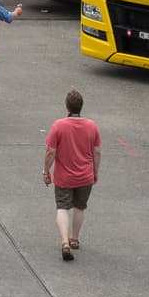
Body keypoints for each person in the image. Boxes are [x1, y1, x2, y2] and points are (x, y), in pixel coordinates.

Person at [44, 89, 102, 262]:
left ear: (67, 107)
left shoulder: (59, 126)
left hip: (64, 177)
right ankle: (74, 238)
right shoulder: (92, 126)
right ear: (81, 107)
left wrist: (46, 171)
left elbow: (50, 151)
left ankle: (64, 242)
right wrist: (95, 173)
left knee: (62, 207)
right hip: (85, 176)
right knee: (79, 207)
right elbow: (97, 151)